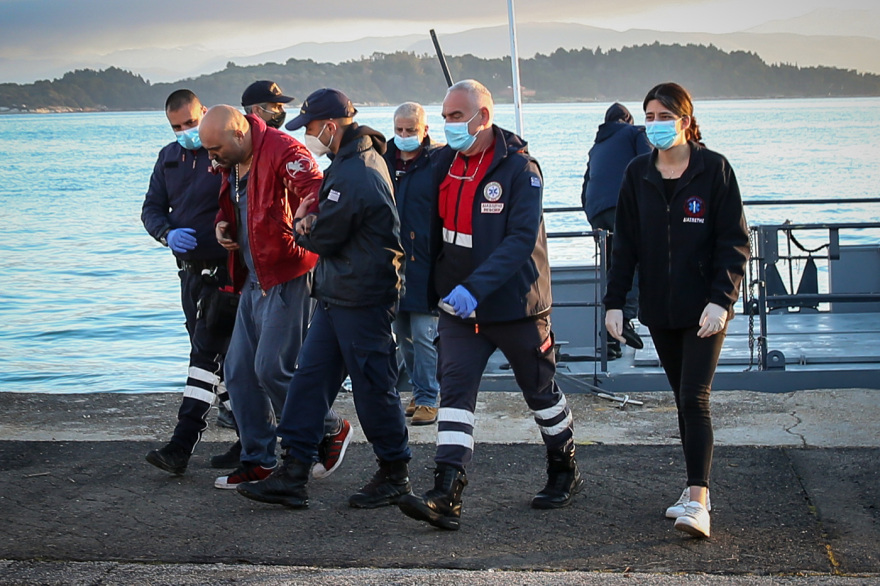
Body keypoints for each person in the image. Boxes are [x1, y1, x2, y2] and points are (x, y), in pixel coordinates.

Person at [396, 79, 581, 531]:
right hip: (459, 309)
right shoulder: (443, 162)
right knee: (455, 393)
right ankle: (446, 492)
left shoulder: (521, 171)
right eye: (443, 117)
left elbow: (519, 241)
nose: (447, 125)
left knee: (540, 393)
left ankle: (564, 466)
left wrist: (475, 288)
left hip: (516, 307)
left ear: (483, 117)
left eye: (456, 116)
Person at [236, 88, 412, 510]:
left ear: (331, 126)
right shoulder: (351, 162)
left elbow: (326, 236)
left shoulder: (356, 172)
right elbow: (333, 227)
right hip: (337, 294)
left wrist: (302, 228)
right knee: (308, 382)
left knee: (373, 389)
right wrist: (314, 223)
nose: (308, 135)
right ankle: (293, 470)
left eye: (312, 127)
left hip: (362, 297)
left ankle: (394, 472)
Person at [604, 82, 750, 538]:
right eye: (649, 117)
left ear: (685, 121)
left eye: (664, 117)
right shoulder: (637, 174)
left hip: (705, 308)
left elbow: (735, 242)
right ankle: (691, 492)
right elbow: (624, 246)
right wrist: (614, 304)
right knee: (682, 402)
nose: (655, 126)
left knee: (695, 397)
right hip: (660, 309)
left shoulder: (714, 170)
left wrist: (721, 300)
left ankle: (700, 499)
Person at [198, 104, 351, 490]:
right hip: (252, 276)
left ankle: (329, 428)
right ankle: (258, 460)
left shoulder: (284, 150)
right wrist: (221, 224)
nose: (211, 158)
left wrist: (307, 217)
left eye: (216, 150)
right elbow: (231, 201)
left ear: (238, 134)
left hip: (288, 275)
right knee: (237, 373)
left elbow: (316, 188)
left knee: (272, 368)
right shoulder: (232, 159)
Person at [141, 89, 240, 475]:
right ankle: (250, 436)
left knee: (205, 354)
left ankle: (182, 444)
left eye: (189, 123)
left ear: (204, 113)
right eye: (176, 127)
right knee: (220, 359)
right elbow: (151, 208)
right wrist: (166, 233)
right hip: (189, 271)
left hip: (226, 269)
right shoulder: (169, 159)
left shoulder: (225, 155)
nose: (185, 132)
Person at [382, 102, 443, 426]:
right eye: (400, 130)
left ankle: (429, 397)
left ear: (424, 131)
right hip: (392, 262)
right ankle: (420, 393)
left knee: (424, 333)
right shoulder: (383, 160)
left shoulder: (437, 162)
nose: (404, 136)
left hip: (425, 262)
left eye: (411, 131)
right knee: (402, 333)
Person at [581, 103, 652, 359]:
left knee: (614, 269)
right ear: (627, 119)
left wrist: (592, 218)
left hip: (597, 212)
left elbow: (586, 184)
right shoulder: (635, 133)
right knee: (633, 262)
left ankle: (609, 340)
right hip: (622, 206)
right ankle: (627, 320)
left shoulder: (596, 146)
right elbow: (650, 163)